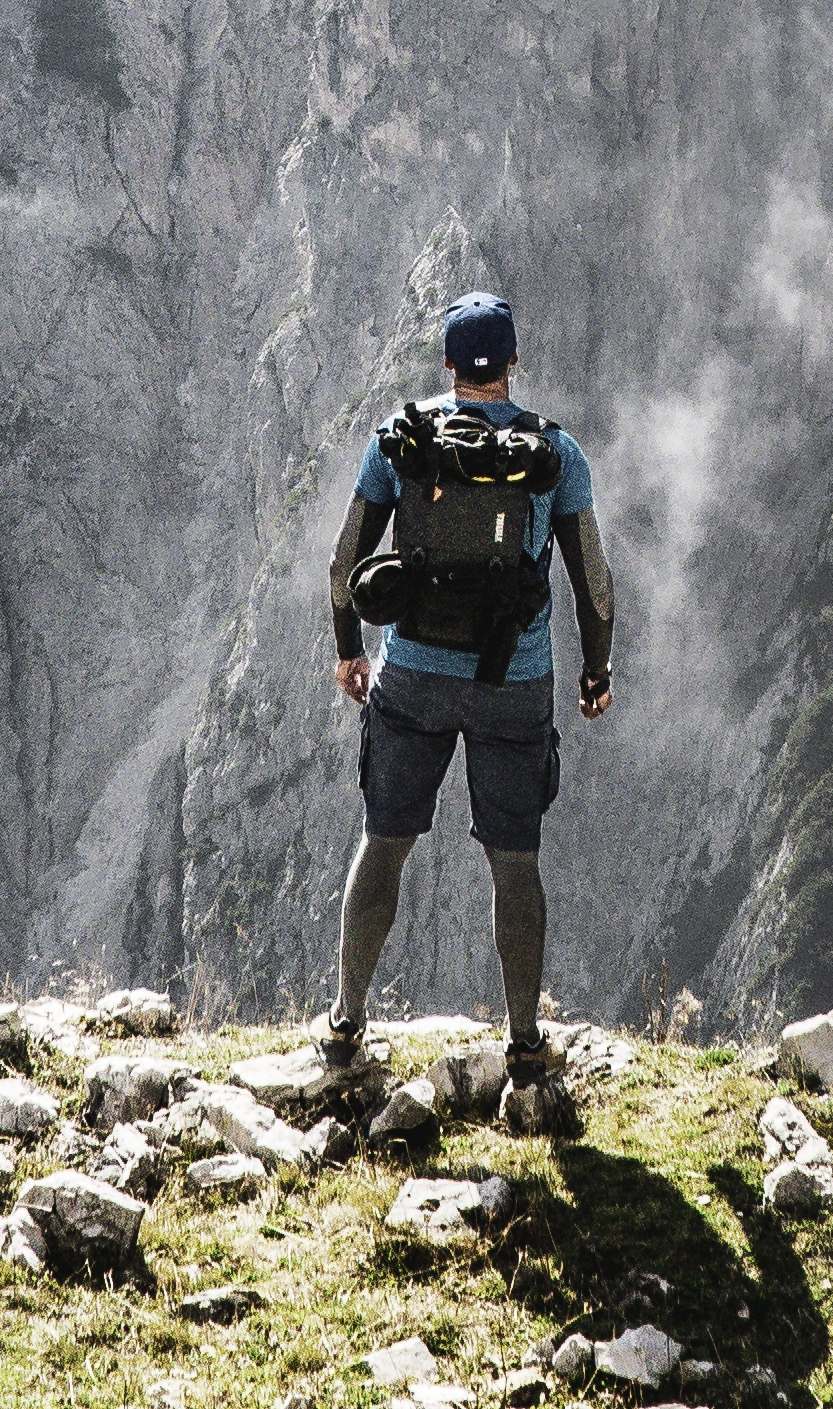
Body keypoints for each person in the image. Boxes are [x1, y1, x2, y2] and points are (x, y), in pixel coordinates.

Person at [325, 287, 614, 1123]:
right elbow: (594, 584)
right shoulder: (556, 453)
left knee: (384, 843)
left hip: (410, 676)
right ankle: (525, 1050)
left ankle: (345, 1027)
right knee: (514, 860)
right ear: (513, 364)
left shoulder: (402, 438)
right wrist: (596, 673)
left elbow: (345, 561)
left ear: (449, 366)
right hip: (512, 686)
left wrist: (350, 650)